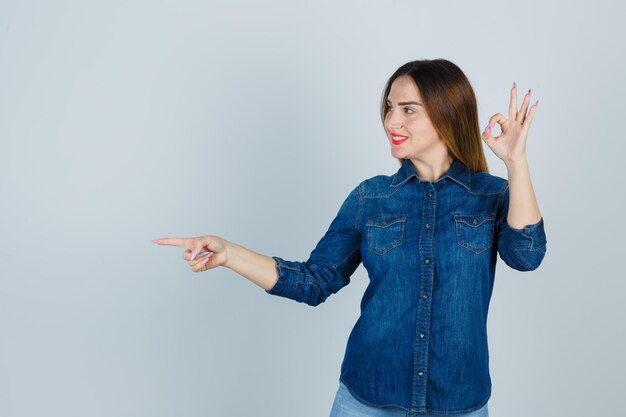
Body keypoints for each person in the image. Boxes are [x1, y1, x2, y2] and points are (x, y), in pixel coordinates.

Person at [152, 59, 547, 417]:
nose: (393, 121)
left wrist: (516, 164)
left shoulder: (492, 195)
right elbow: (314, 281)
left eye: (408, 110)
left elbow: (527, 256)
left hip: (458, 402)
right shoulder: (370, 198)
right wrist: (228, 253)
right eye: (390, 108)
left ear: (447, 114)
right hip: (367, 399)